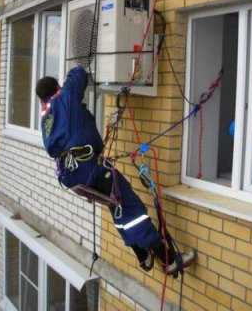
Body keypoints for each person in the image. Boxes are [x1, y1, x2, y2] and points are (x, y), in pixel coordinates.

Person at [36, 65, 195, 274]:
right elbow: (78, 75)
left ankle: (142, 255)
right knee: (130, 207)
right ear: (57, 89)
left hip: (73, 176)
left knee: (117, 205)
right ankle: (167, 259)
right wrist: (80, 68)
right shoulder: (64, 98)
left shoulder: (46, 118)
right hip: (87, 168)